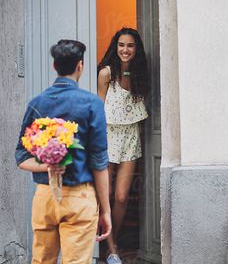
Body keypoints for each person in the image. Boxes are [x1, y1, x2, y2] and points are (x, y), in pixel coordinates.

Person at [15, 39, 112, 264]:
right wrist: (105, 211)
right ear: (80, 65)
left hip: (45, 196)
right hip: (79, 197)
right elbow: (99, 162)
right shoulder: (92, 104)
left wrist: (47, 166)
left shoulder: (37, 103)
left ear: (54, 66)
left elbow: (21, 156)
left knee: (41, 260)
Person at [97, 27, 148, 264]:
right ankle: (111, 246)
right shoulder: (106, 74)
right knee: (105, 194)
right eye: (121, 45)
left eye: (130, 45)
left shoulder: (140, 75)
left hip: (130, 137)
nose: (125, 50)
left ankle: (110, 240)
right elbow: (99, 111)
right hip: (108, 135)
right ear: (115, 47)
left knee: (120, 196)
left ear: (136, 49)